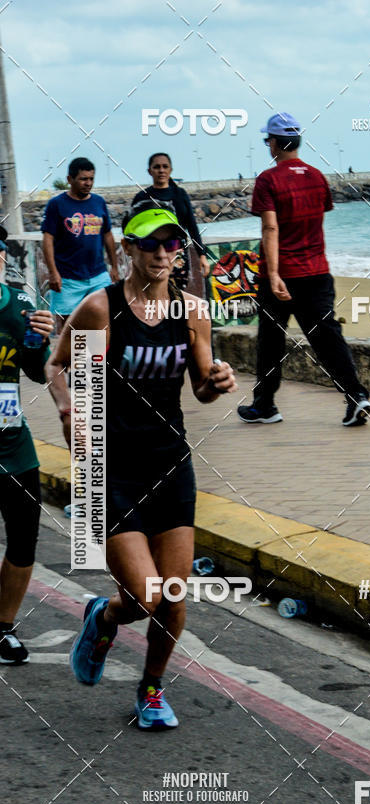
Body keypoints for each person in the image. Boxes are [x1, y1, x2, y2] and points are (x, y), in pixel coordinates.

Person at [46, 200, 236, 729]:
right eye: (149, 243)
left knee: (173, 598)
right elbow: (55, 365)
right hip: (111, 466)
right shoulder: (100, 309)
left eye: (171, 243)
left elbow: (199, 389)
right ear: (127, 247)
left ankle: (151, 689)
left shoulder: (193, 311)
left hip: (169, 463)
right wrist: (68, 408)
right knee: (146, 596)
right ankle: (103, 616)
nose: (161, 253)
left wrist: (217, 383)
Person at [237, 112, 370, 427]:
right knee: (327, 338)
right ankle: (356, 396)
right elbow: (316, 218)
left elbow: (271, 229)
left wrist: (272, 275)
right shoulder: (316, 176)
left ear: (273, 143)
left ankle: (265, 405)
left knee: (271, 342)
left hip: (281, 276)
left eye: (267, 139)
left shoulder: (268, 180)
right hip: (317, 272)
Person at [0, 225, 54, 663]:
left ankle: (2, 628)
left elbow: (38, 371)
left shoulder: (19, 307)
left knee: (23, 542)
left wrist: (43, 336)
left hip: (14, 447)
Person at [42, 157, 118, 334]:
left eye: (91, 179)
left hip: (98, 275)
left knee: (101, 322)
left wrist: (114, 266)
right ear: (70, 179)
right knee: (71, 328)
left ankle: (95, 361)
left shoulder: (98, 202)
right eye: (83, 179)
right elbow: (48, 240)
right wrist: (53, 273)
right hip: (68, 278)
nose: (88, 183)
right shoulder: (56, 204)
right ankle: (76, 361)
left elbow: (107, 234)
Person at [132, 153, 209, 290]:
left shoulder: (180, 194)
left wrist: (202, 255)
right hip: (152, 255)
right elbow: (133, 231)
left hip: (178, 256)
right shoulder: (142, 197)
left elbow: (192, 227)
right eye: (156, 167)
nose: (161, 170)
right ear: (150, 171)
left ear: (170, 170)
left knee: (176, 298)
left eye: (165, 166)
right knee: (154, 297)